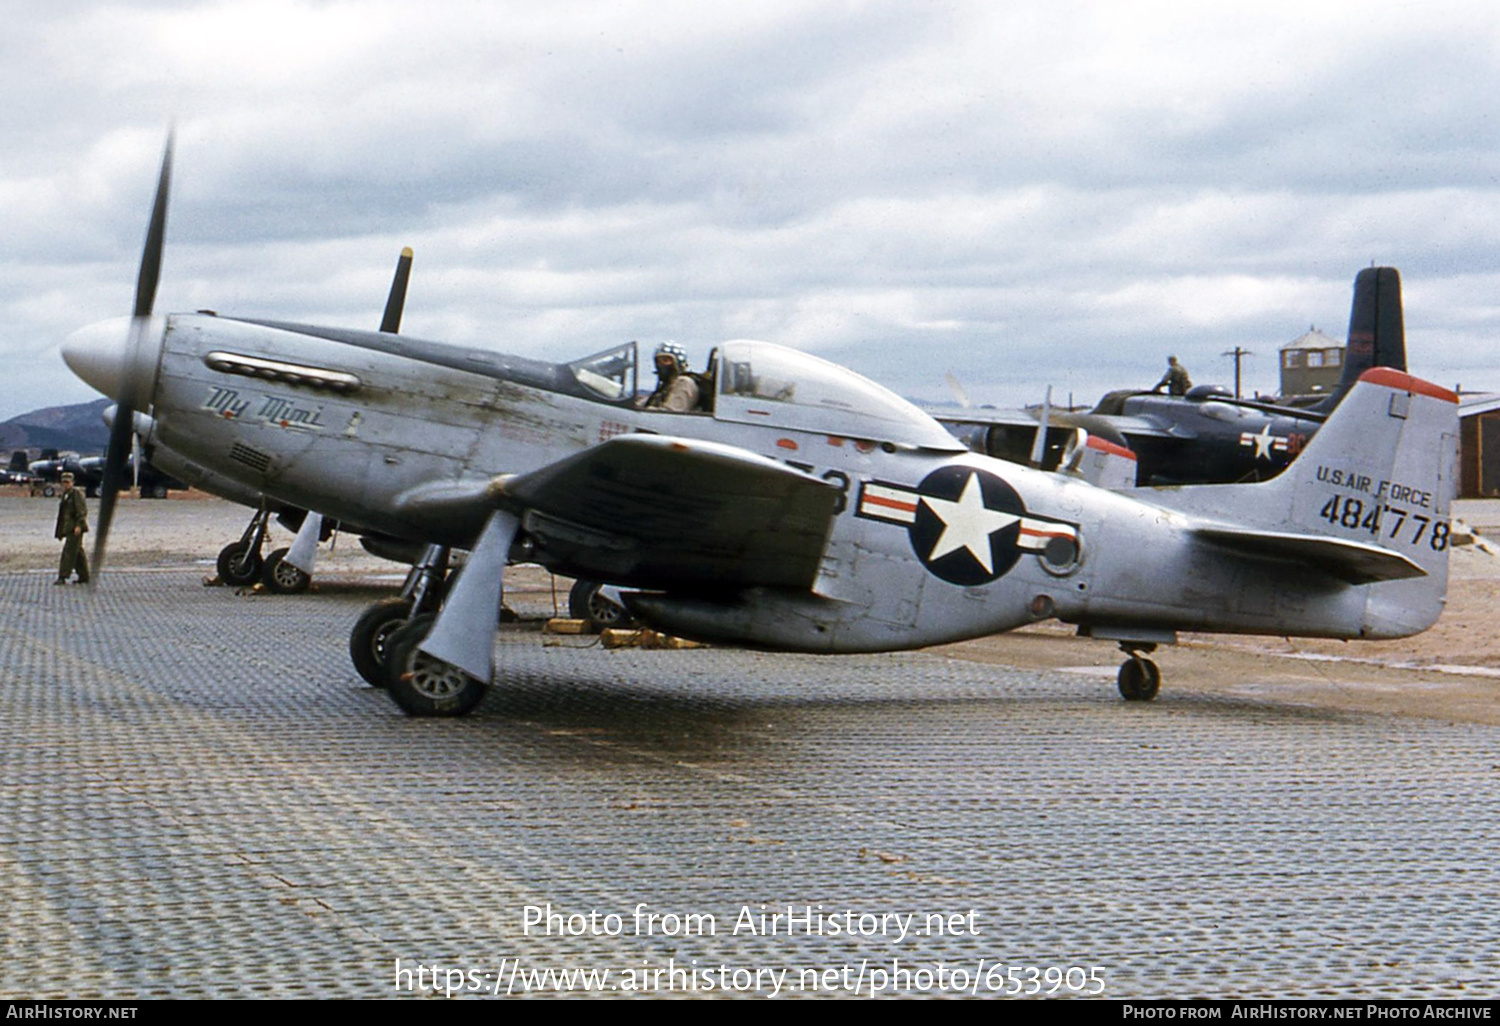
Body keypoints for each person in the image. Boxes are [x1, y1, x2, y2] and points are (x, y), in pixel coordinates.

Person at [641, 342, 701, 412]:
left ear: (677, 363)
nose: (660, 365)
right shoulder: (665, 387)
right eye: (658, 362)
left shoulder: (684, 382)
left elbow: (671, 412)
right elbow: (641, 404)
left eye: (665, 360)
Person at [54, 472, 90, 584]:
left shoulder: (76, 494)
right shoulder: (66, 495)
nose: (66, 484)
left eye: (68, 482)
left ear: (72, 482)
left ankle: (63, 576)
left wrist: (79, 525)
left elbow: (82, 511)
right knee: (77, 552)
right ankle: (84, 576)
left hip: (75, 529)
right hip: (68, 528)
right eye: (64, 482)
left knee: (69, 552)